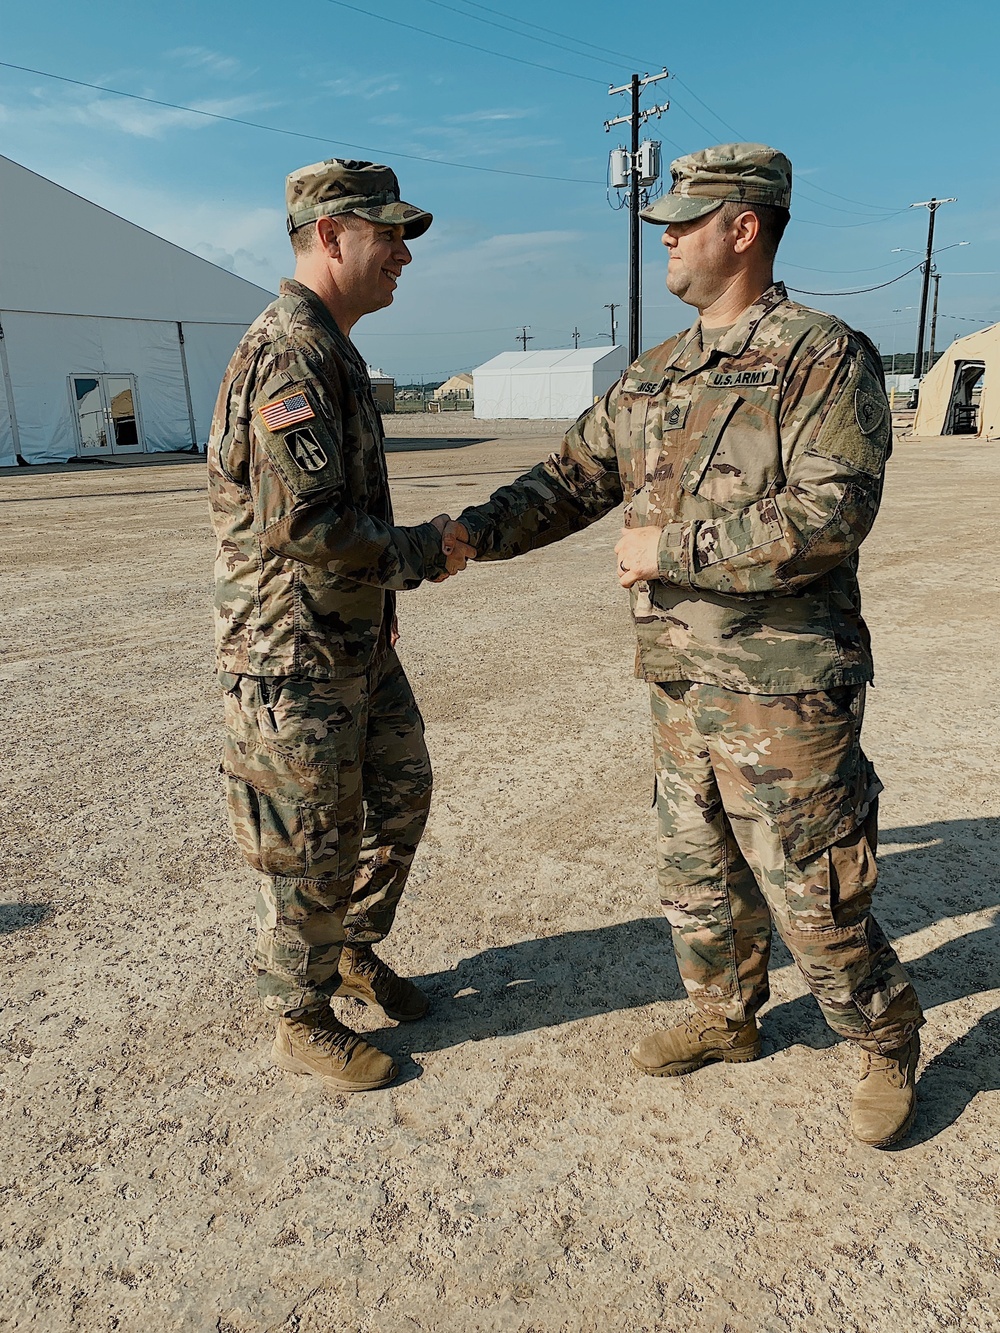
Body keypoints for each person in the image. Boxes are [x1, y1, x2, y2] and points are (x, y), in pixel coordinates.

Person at [437, 144, 924, 1147]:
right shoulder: (656, 374)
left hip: (782, 684)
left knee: (811, 879)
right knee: (698, 867)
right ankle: (726, 1017)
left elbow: (831, 515)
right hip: (676, 678)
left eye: (684, 218)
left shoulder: (821, 354)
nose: (663, 232)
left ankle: (882, 1034)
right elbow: (570, 477)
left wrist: (673, 545)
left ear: (743, 225)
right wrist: (462, 537)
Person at [207, 159, 474, 1094]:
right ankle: (299, 1008)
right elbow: (310, 526)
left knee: (401, 794)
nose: (403, 253)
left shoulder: (336, 347)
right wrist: (421, 553)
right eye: (388, 234)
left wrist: (385, 607)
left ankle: (353, 950)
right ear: (330, 236)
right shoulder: (290, 352)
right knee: (313, 833)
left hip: (351, 640)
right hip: (294, 655)